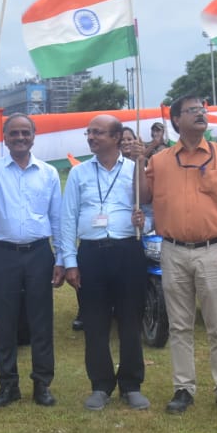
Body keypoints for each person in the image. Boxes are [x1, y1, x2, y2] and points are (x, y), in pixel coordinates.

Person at [140, 97, 217, 415]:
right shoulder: (160, 161)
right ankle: (183, 388)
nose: (201, 114)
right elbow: (144, 197)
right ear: (176, 120)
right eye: (192, 110)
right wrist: (138, 159)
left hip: (213, 249)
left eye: (202, 109)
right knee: (179, 325)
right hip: (172, 250)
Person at [0, 114, 63, 408]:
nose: (20, 138)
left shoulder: (48, 173)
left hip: (38, 253)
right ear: (4, 138)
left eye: (25, 133)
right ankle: (8, 384)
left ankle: (42, 384)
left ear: (33, 136)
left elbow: (56, 217)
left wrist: (61, 257)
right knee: (5, 321)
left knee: (41, 320)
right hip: (4, 253)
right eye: (13, 134)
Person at [59, 114, 149, 411]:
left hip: (128, 250)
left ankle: (131, 384)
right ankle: (100, 385)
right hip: (92, 254)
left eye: (98, 133)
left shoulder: (136, 170)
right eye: (89, 133)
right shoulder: (79, 173)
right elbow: (68, 218)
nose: (91, 137)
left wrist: (144, 222)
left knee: (130, 320)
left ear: (116, 137)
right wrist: (70, 261)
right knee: (95, 322)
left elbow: (151, 211)